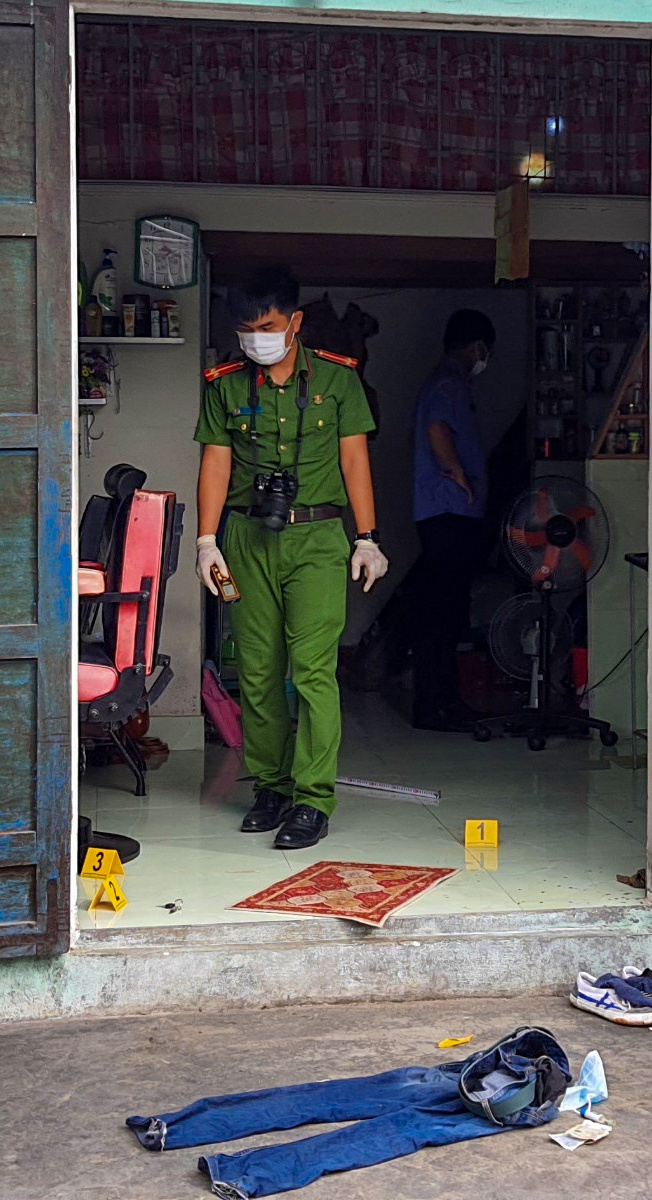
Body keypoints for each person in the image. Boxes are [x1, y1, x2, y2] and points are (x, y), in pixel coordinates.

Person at [193, 267, 387, 851]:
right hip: (248, 539)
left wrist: (368, 537)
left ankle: (312, 799)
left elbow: (355, 462)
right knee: (256, 672)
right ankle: (271, 788)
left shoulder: (338, 379)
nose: (258, 339)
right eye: (247, 329)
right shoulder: (226, 384)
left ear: (295, 323)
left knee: (311, 672)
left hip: (318, 540)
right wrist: (206, 542)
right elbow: (216, 465)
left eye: (269, 326)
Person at [404, 310, 495, 732]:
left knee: (443, 608)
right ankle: (435, 703)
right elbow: (438, 430)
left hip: (444, 512)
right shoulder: (448, 384)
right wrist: (458, 472)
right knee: (443, 611)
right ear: (476, 347)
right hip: (448, 512)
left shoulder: (446, 383)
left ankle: (440, 700)